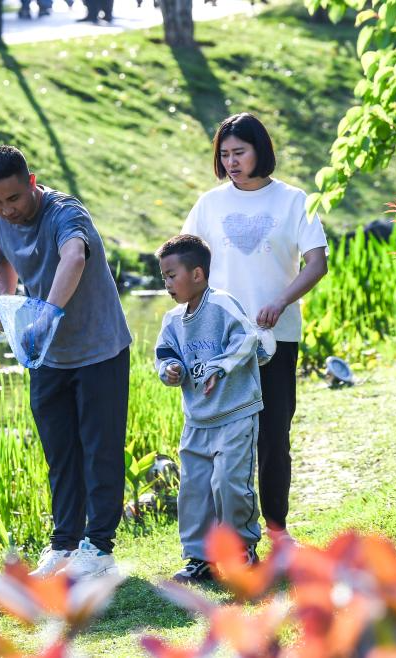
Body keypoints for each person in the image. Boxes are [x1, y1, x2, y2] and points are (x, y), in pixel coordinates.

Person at [0, 145, 132, 580]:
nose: (6, 210)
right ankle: (64, 544)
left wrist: (45, 314)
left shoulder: (66, 213)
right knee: (60, 452)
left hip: (100, 348)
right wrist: (8, 302)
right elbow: (2, 260)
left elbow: (74, 258)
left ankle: (99, 549)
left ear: (31, 182)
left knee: (99, 450)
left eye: (13, 198)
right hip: (48, 355)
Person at [182, 112, 328, 546]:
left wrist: (281, 300)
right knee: (218, 440)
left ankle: (278, 530)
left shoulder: (293, 200)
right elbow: (184, 262)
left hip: (275, 337)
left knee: (273, 435)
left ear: (259, 151)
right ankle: (219, 538)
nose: (231, 161)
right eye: (224, 154)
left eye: (239, 152)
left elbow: (316, 263)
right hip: (217, 344)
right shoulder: (209, 205)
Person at [154, 234, 263, 583]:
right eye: (164, 277)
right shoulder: (171, 321)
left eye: (172, 275)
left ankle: (242, 549)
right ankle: (200, 558)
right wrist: (170, 370)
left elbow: (247, 337)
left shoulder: (223, 305)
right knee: (195, 490)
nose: (167, 283)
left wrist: (219, 366)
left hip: (235, 413)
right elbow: (165, 354)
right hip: (197, 420)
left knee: (229, 484)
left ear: (197, 274)